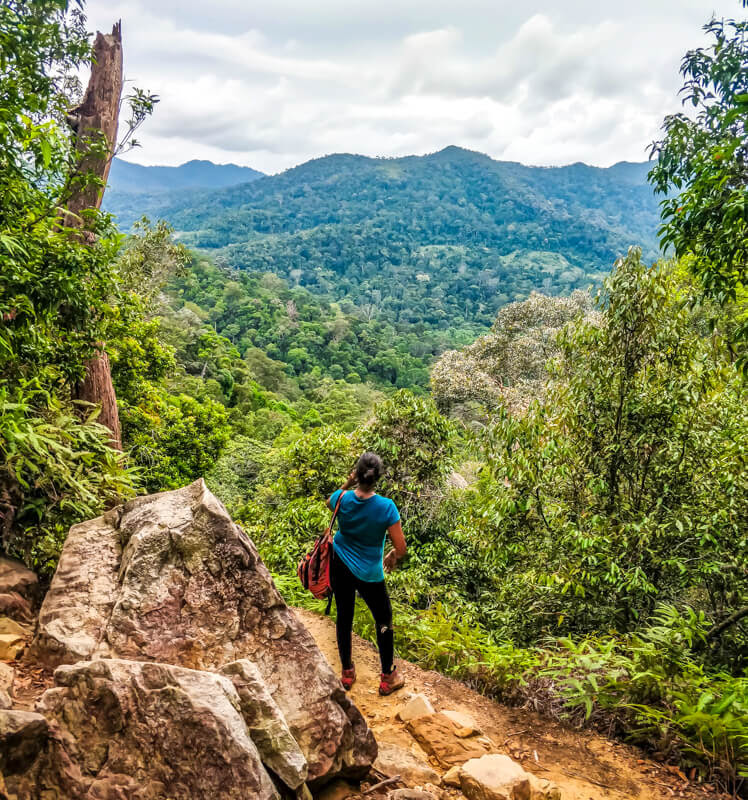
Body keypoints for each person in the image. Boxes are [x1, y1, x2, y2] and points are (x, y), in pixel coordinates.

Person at [327, 452, 407, 696]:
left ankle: (347, 672)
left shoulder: (342, 497)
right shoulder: (386, 507)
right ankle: (387, 677)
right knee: (383, 620)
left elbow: (331, 502)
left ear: (357, 474)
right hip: (370, 573)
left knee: (344, 615)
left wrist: (348, 483)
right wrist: (391, 556)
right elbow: (401, 548)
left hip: (339, 563)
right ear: (378, 478)